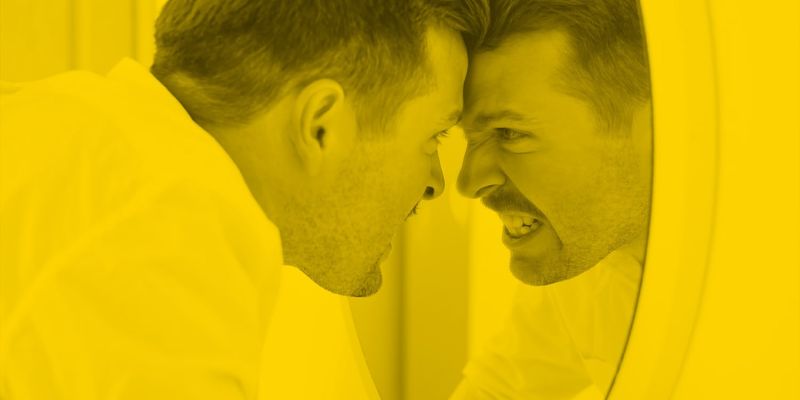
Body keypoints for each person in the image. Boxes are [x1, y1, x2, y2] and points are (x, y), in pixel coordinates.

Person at [0, 1, 484, 398]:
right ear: (321, 126)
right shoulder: (173, 228)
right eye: (434, 137)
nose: (436, 183)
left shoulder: (55, 121)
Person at [451, 0, 652, 398]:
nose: (468, 182)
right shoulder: (585, 257)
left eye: (509, 133)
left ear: (650, 128)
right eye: (468, 139)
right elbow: (499, 387)